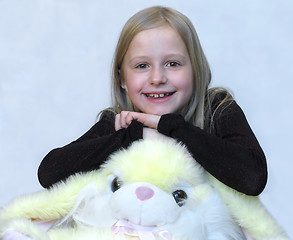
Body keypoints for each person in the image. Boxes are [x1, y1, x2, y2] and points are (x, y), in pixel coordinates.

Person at [38, 6, 267, 196]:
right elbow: (49, 173)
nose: (157, 78)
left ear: (196, 70)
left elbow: (253, 179)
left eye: (173, 63)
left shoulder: (218, 110)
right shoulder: (120, 122)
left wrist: (170, 128)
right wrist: (136, 135)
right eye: (142, 66)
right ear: (122, 79)